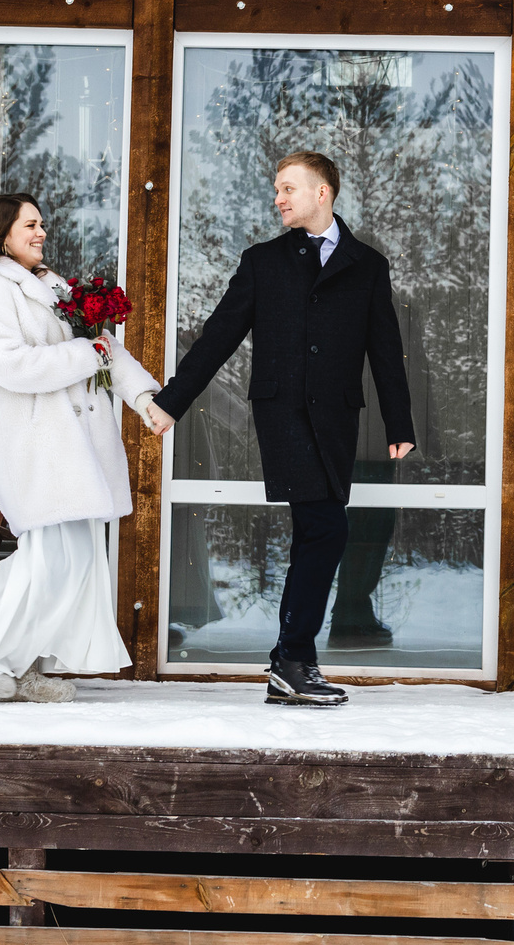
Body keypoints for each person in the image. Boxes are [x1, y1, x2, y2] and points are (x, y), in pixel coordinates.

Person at [148, 151, 414, 706]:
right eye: (277, 188)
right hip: (284, 414)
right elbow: (218, 336)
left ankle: (290, 664)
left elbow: (386, 349)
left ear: (322, 192)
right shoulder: (262, 262)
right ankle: (291, 661)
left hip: (337, 418)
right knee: (325, 528)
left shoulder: (367, 265)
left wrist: (399, 421)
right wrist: (173, 401)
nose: (278, 198)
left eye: (288, 188)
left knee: (318, 532)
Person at [0, 192, 162, 703]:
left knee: (72, 563)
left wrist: (145, 398)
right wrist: (84, 353)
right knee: (52, 561)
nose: (41, 233)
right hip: (36, 447)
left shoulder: (52, 287)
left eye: (42, 224)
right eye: (30, 225)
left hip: (73, 450)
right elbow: (14, 366)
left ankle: (21, 664)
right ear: (2, 234)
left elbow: (105, 349)